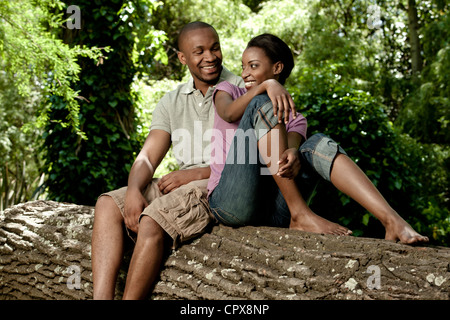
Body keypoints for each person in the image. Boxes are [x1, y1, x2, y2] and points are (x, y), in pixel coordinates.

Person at [207, 33, 429, 244]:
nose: (245, 73)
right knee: (260, 104)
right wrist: (267, 85)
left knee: (316, 143)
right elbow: (228, 113)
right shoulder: (228, 90)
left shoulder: (296, 119)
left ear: (277, 67)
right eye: (243, 66)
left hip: (272, 213)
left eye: (253, 66)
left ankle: (391, 220)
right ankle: (301, 214)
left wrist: (294, 154)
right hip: (231, 204)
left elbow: (288, 153)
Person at [91, 21, 244, 300]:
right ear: (182, 58)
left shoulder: (241, 89)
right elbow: (148, 156)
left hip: (217, 185)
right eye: (198, 51)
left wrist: (194, 174)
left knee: (152, 218)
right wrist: (136, 190)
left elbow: (252, 160)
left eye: (215, 48)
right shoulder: (171, 101)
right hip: (180, 184)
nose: (209, 57)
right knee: (107, 204)